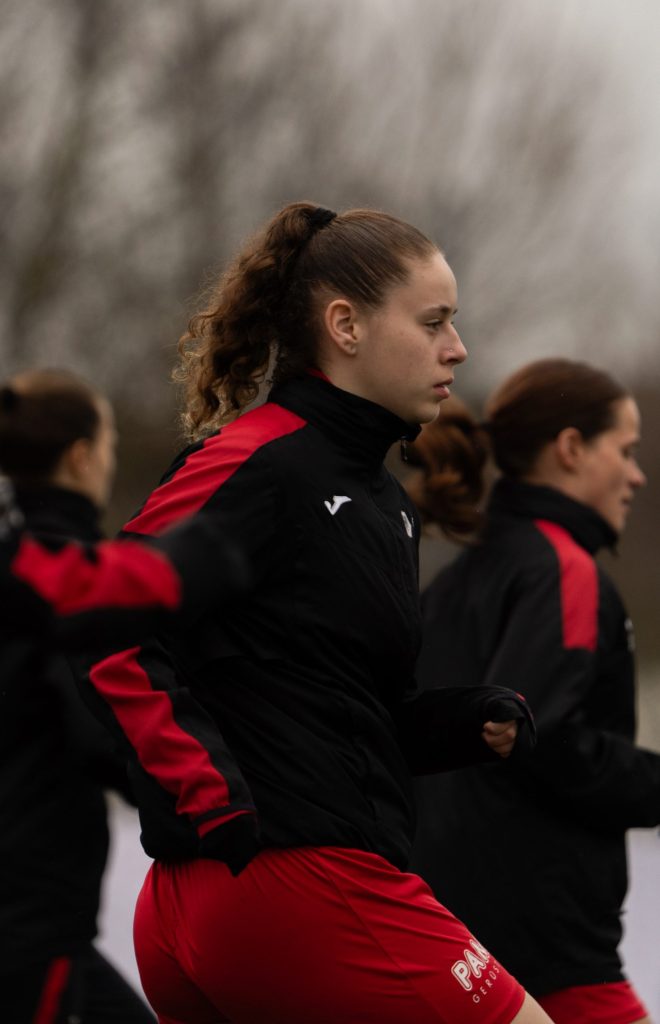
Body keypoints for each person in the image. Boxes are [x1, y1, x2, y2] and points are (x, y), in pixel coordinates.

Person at [75, 201, 552, 1024]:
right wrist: (206, 794)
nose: (457, 347)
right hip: (290, 887)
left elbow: (338, 712)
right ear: (345, 326)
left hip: (267, 900)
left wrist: (463, 724)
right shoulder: (260, 460)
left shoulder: (388, 505)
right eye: (433, 321)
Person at [406, 359, 656, 1024]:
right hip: (547, 956)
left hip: (451, 941)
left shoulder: (457, 579)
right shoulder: (564, 569)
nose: (637, 475)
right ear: (570, 448)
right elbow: (537, 737)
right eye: (626, 451)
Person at [0, 369, 158, 1022]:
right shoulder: (75, 579)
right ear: (81, 456)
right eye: (111, 441)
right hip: (31, 920)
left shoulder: (15, 560)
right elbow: (105, 729)